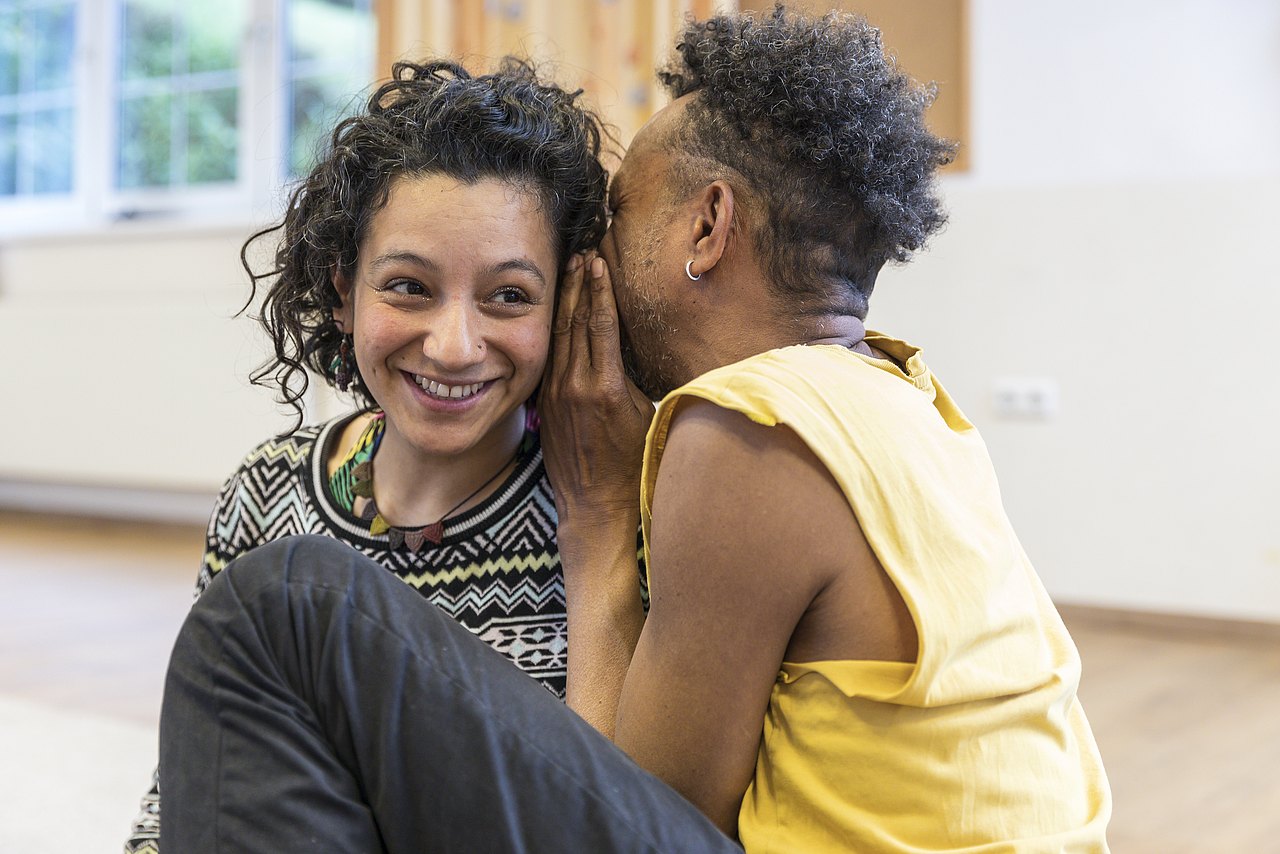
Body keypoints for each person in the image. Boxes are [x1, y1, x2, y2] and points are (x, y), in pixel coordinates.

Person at [157, 7, 1113, 852]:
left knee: (278, 603)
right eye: (408, 285)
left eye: (618, 216)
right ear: (343, 288)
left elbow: (639, 814)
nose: (600, 260)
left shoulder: (740, 434)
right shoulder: (906, 399)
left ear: (706, 227)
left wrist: (605, 513)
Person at [124, 59, 610, 853]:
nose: (454, 347)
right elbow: (196, 776)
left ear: (567, 304)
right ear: (345, 290)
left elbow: (601, 808)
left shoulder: (604, 513)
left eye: (510, 296)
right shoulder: (266, 488)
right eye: (409, 288)